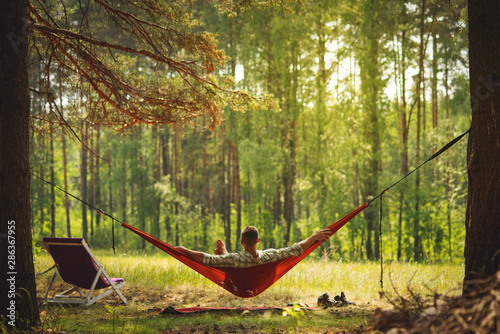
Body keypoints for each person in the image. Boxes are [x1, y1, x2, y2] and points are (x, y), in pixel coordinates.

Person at [174, 226, 332, 268]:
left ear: (242, 242)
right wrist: (314, 237)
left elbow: (207, 259)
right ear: (259, 240)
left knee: (223, 261)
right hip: (258, 267)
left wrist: (183, 250)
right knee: (225, 260)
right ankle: (224, 252)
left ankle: (224, 252)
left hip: (234, 269)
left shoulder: (236, 259)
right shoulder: (270, 255)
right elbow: (295, 249)